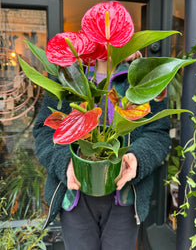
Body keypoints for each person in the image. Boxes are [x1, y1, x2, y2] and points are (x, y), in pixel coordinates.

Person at [33, 55, 171, 250]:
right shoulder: (68, 75)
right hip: (75, 196)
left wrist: (138, 158)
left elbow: (158, 133)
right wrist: (65, 162)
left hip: (125, 198)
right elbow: (45, 132)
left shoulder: (143, 76)